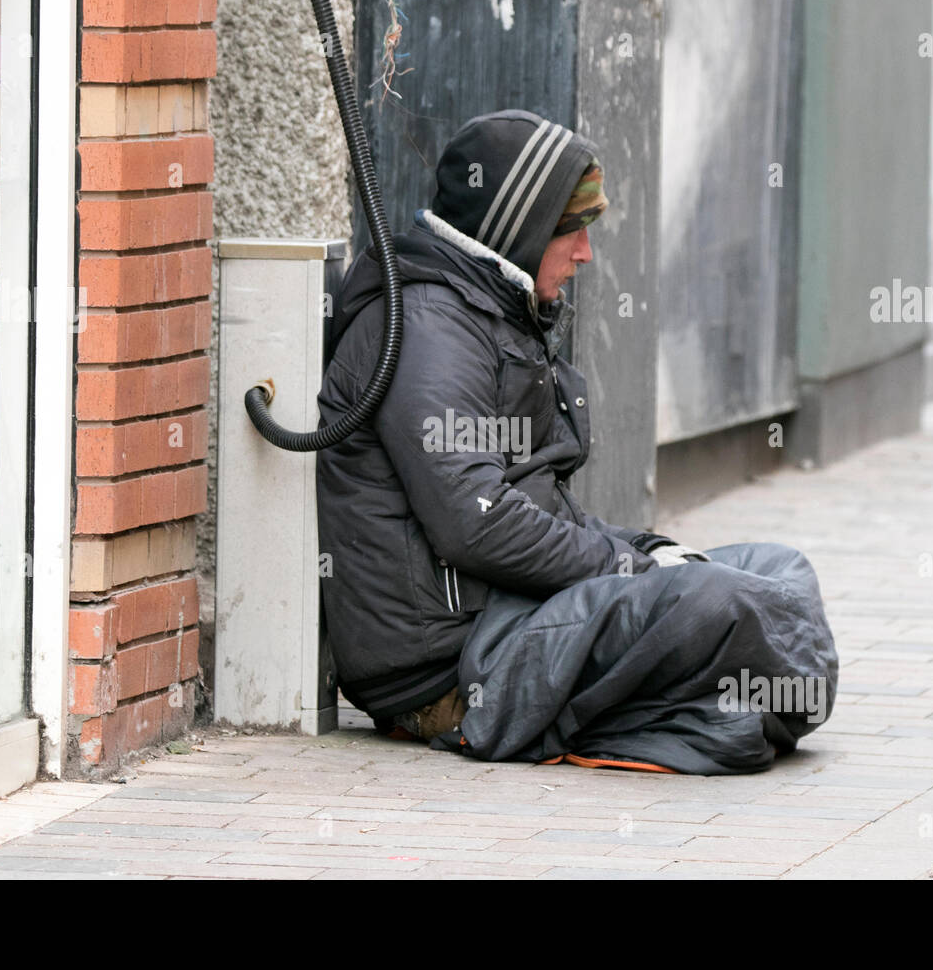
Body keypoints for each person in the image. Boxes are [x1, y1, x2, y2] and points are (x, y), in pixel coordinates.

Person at [316, 109, 837, 774]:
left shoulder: (485, 309)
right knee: (722, 601)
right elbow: (475, 525)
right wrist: (636, 571)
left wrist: (646, 550)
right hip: (461, 664)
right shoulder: (428, 330)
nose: (585, 253)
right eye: (570, 231)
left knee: (778, 569)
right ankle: (751, 699)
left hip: (520, 613)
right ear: (517, 227)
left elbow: (537, 506)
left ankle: (740, 700)